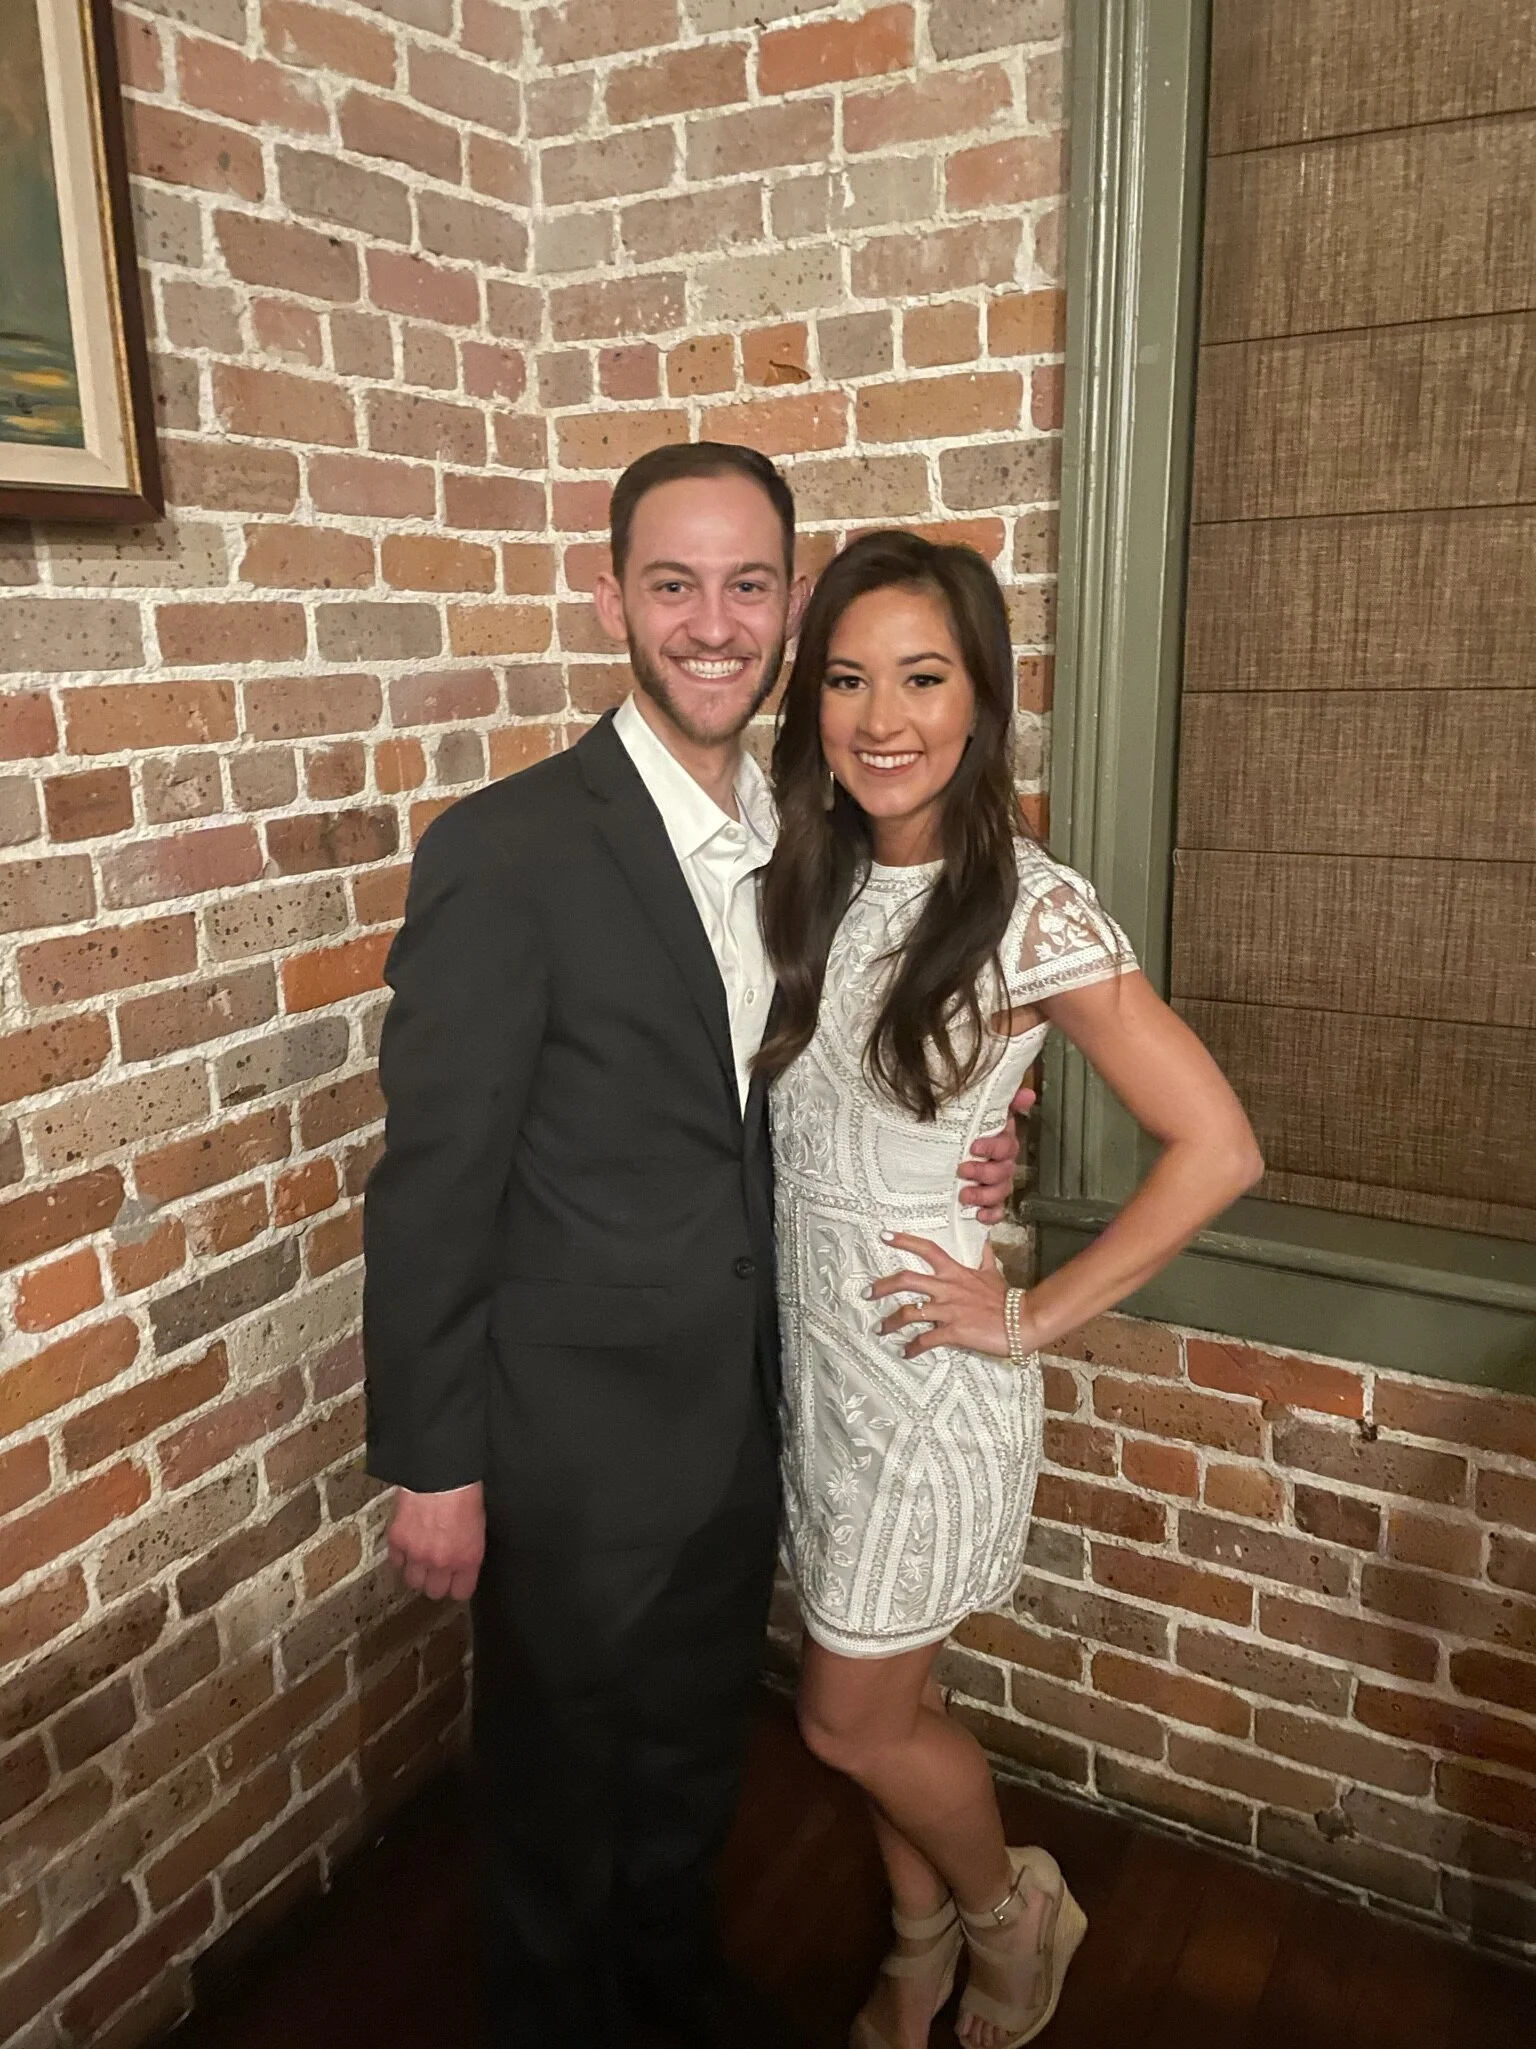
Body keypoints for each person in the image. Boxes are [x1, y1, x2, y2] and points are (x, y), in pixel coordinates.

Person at [361, 446, 1026, 2049]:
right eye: (674, 585)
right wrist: (433, 1460)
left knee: (686, 1777)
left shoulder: (815, 837)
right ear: (612, 601)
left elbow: (834, 1082)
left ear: (791, 607)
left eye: (747, 586)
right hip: (571, 1444)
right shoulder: (507, 849)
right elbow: (435, 1179)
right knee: (551, 1809)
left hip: (744, 1415)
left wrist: (977, 1144)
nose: (713, 624)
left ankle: (670, 2005)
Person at [754, 531, 1264, 2049]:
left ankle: (1006, 1910)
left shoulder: (1031, 908)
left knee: (844, 1717)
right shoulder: (809, 875)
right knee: (888, 1708)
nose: (882, 718)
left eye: (924, 678)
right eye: (847, 680)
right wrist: (992, 1134)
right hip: (820, 1375)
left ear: (983, 699)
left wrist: (1030, 1315)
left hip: (927, 1384)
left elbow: (1217, 1146)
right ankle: (918, 1941)